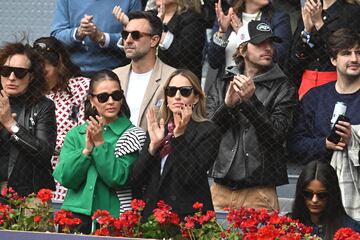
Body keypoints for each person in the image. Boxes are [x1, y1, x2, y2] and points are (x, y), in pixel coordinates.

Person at [207, 20, 297, 211]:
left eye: (271, 43)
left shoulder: (284, 87)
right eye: (260, 43)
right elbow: (207, 134)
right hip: (220, 189)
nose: (268, 48)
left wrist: (251, 102)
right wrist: (227, 106)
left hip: (260, 192)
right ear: (242, 49)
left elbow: (276, 136)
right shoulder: (222, 82)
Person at [53, 70, 145, 233]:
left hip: (112, 217)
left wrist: (100, 144)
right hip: (74, 216)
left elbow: (118, 178)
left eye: (116, 95)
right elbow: (65, 178)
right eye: (103, 97)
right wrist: (86, 151)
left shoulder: (133, 134)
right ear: (91, 100)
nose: (111, 102)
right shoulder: (76, 134)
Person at [131, 69, 221, 220]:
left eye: (185, 91)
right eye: (171, 91)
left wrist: (179, 136)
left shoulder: (208, 130)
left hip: (188, 220)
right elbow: (136, 177)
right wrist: (153, 147)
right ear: (166, 97)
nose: (177, 96)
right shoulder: (159, 127)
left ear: (196, 98)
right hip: (154, 217)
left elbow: (189, 176)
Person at [288, 28, 360, 163]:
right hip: (320, 178)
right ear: (333, 60)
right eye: (346, 53)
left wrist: (354, 139)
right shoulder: (314, 97)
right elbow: (295, 145)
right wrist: (324, 144)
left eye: (358, 53)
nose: (354, 59)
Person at [33, 36, 90, 202]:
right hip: (41, 170)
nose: (40, 78)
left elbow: (83, 131)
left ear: (59, 65)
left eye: (44, 72)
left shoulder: (81, 87)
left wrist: (51, 146)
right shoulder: (34, 94)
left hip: (74, 164)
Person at [0, 42, 56, 196]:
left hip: (30, 194)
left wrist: (11, 125)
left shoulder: (43, 106)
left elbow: (44, 154)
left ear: (31, 76)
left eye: (19, 73)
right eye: (5, 71)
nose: (11, 78)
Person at [113, 11, 176, 130]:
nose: (128, 40)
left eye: (136, 35)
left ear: (154, 40)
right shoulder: (115, 76)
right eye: (125, 35)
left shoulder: (172, 78)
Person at [287, 0, 360, 98]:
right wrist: (306, 31)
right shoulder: (308, 11)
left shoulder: (352, 12)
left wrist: (319, 23)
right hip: (306, 85)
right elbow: (293, 60)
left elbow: (344, 50)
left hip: (337, 83)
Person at [115, 0, 206, 80]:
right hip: (147, 78)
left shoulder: (193, 18)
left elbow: (186, 55)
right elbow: (134, 50)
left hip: (180, 84)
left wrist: (158, 30)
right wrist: (131, 28)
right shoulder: (149, 16)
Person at [51, 0, 141, 77]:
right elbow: (56, 37)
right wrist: (78, 33)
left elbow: (139, 39)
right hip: (73, 74)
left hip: (117, 73)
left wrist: (103, 38)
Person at [208, 0, 292, 70]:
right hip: (229, 83)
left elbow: (281, 56)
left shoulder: (278, 18)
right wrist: (222, 31)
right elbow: (214, 62)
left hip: (263, 85)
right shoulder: (227, 16)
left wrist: (243, 34)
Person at [291, 161, 360, 240]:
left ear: (332, 194)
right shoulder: (287, 225)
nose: (314, 200)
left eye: (322, 195)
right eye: (308, 194)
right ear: (300, 194)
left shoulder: (352, 230)